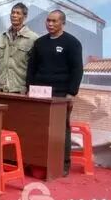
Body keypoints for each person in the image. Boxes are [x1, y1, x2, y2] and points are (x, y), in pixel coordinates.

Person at [26, 9, 83, 176]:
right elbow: (32, 68)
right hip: (39, 92)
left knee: (61, 130)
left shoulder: (72, 43)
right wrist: (29, 88)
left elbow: (77, 70)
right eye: (48, 21)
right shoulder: (40, 42)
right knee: (37, 127)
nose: (50, 24)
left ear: (63, 23)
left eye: (54, 21)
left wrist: (71, 93)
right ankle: (37, 161)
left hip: (61, 94)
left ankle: (63, 164)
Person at [0, 3, 38, 94]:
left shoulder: (33, 38)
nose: (14, 15)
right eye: (12, 12)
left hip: (21, 90)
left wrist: (31, 88)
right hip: (2, 89)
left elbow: (36, 66)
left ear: (25, 17)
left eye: (18, 13)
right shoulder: (1, 36)